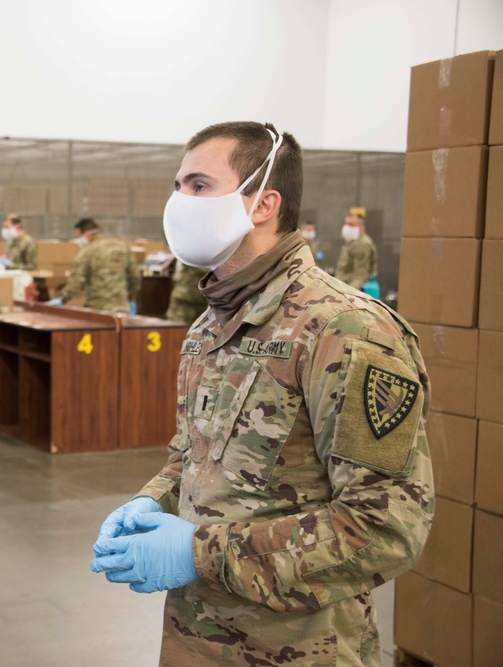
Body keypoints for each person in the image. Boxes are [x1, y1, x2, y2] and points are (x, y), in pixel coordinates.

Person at [90, 122, 432, 666]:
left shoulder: (344, 330)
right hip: (195, 640)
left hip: (296, 649)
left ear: (263, 202)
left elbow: (387, 524)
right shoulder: (209, 327)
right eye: (177, 185)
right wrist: (151, 500)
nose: (179, 202)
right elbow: (192, 459)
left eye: (199, 186)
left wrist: (197, 552)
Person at [51, 218, 140, 314]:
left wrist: (62, 299)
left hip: (98, 309)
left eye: (79, 236)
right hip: (122, 309)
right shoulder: (123, 248)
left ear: (87, 234)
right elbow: (135, 277)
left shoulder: (87, 252)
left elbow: (77, 281)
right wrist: (131, 298)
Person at [335, 207, 378, 290]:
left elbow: (360, 275)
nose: (346, 228)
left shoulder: (362, 244)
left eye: (350, 225)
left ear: (361, 227)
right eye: (346, 224)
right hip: (343, 285)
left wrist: (349, 293)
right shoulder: (352, 241)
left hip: (349, 290)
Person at [164, 261, 208, 326]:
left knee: (200, 330)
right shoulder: (190, 253)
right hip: (184, 299)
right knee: (177, 329)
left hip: (203, 298)